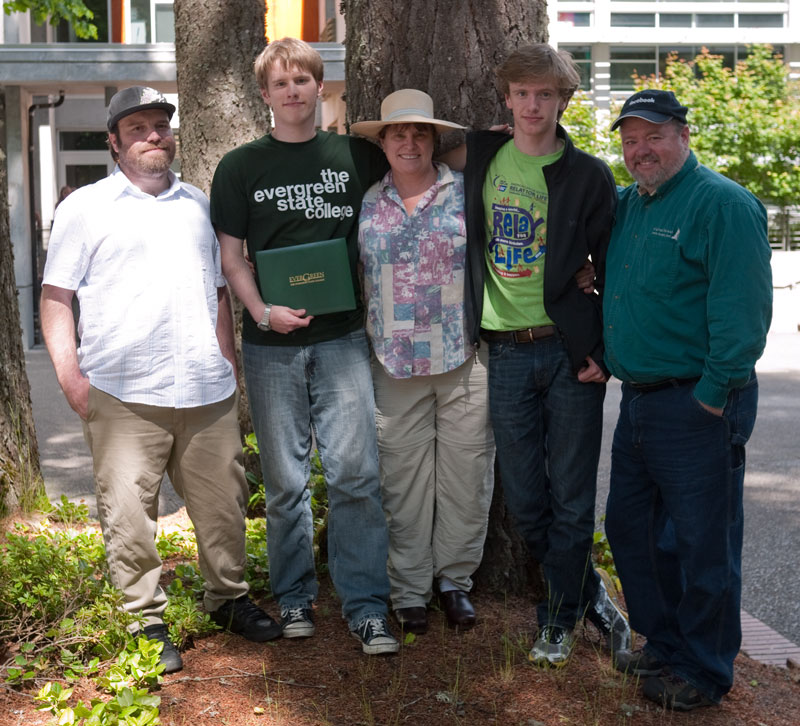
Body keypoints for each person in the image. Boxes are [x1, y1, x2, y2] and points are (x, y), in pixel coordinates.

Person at [40, 86, 283, 675]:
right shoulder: (85, 208)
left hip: (205, 387)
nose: (154, 135)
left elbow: (221, 289)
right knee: (129, 514)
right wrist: (72, 379)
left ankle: (226, 599)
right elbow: (56, 297)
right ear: (114, 142)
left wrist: (227, 362)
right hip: (122, 390)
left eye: (161, 126)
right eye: (140, 127)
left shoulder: (200, 204)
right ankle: (145, 619)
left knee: (224, 506)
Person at [209, 38, 399, 655]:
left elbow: (424, 162)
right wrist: (263, 310)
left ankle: (367, 606)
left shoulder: (357, 156)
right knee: (286, 484)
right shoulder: (240, 168)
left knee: (355, 477)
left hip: (342, 338)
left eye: (303, 80)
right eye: (281, 83)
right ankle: (294, 599)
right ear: (265, 95)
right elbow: (231, 258)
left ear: (322, 87)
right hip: (271, 345)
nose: (293, 91)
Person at [459, 44, 631, 667]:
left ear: (563, 101)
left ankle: (556, 620)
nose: (533, 105)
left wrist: (603, 351)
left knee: (573, 497)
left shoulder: (588, 176)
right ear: (506, 98)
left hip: (569, 354)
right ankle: (594, 597)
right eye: (522, 94)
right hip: (504, 351)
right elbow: (414, 146)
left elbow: (612, 269)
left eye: (545, 95)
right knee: (528, 500)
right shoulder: (480, 153)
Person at [603, 89, 773, 711]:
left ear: (682, 135)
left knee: (702, 544)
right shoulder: (629, 206)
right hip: (640, 402)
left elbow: (743, 314)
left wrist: (711, 395)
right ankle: (666, 644)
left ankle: (703, 669)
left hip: (698, 404)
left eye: (652, 136)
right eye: (630, 140)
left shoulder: (723, 205)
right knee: (632, 531)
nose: (639, 150)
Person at [351, 90, 495, 634]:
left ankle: (454, 581)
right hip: (393, 363)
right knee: (401, 482)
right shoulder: (367, 202)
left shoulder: (467, 193)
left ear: (435, 141)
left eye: (419, 134)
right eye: (397, 134)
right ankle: (408, 589)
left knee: (467, 476)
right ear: (382, 142)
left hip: (463, 357)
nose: (408, 143)